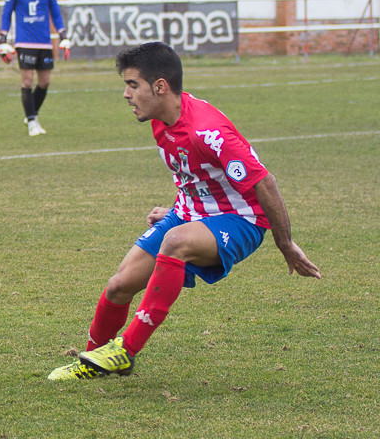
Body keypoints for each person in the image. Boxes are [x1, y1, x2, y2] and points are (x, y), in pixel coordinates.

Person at [48, 42, 321, 381]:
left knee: (176, 242)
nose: (126, 94)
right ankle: (89, 360)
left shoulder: (208, 132)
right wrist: (178, 207)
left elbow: (265, 183)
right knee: (119, 285)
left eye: (132, 84)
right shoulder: (160, 119)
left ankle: (125, 350)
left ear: (159, 86)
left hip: (242, 220)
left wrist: (286, 243)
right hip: (191, 212)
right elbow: (196, 174)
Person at [0, 0, 69, 136]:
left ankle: (32, 114)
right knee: (27, 81)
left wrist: (62, 34)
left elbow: (55, 13)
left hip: (44, 42)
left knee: (45, 82)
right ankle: (32, 122)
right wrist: (2, 38)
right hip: (24, 42)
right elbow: (6, 14)